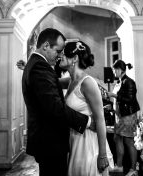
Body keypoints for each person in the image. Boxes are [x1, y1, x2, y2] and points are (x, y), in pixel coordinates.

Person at [21, 28, 101, 176]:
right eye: (58, 51)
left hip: (55, 141)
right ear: (46, 46)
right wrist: (88, 122)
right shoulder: (40, 67)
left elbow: (55, 84)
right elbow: (55, 108)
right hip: (50, 142)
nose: (59, 56)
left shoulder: (37, 65)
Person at [59, 40, 113, 175]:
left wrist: (102, 155)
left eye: (64, 54)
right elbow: (50, 81)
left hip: (88, 143)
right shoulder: (71, 80)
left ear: (75, 58)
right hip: (75, 140)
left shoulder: (87, 83)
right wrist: (31, 68)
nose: (60, 56)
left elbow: (100, 120)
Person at [107, 60, 140, 176]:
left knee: (129, 141)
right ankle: (119, 166)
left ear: (120, 70)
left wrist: (114, 95)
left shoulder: (129, 82)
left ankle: (133, 169)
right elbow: (120, 100)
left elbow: (130, 100)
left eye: (115, 70)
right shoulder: (120, 82)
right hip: (120, 115)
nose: (114, 72)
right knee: (117, 139)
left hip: (128, 116)